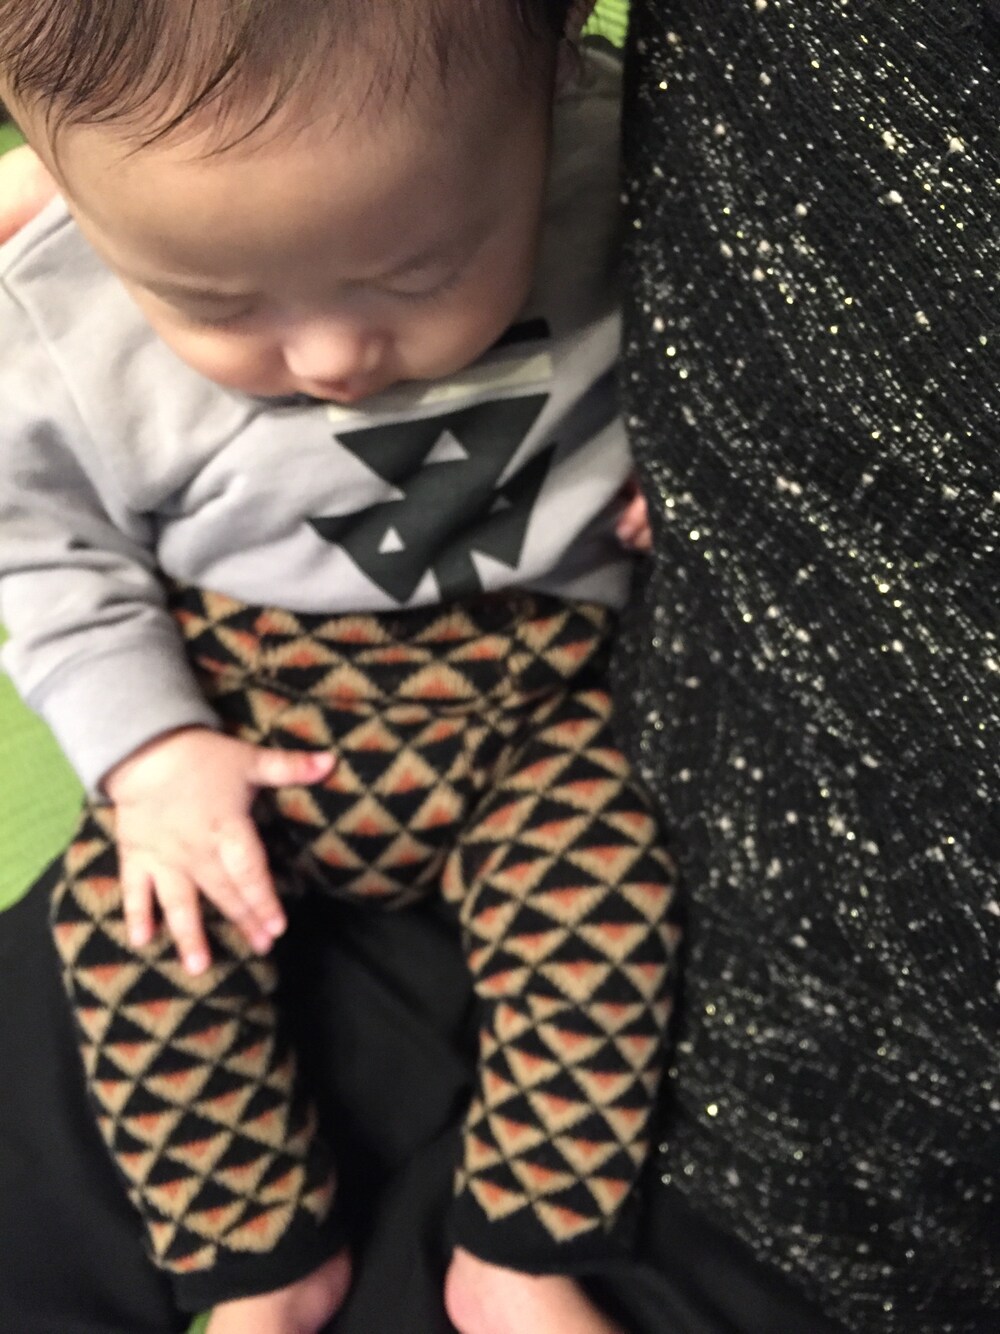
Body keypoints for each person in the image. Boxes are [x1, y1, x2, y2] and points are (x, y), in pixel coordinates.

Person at [0, 3, 679, 1333]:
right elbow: (43, 559)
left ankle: (522, 1252)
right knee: (135, 931)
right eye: (213, 302)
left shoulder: (625, 161)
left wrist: (701, 455)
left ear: (554, 81)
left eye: (415, 274)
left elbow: (756, 319)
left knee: (609, 898)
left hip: (540, 704)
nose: (328, 362)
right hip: (243, 715)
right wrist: (152, 757)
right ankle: (261, 1262)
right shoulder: (57, 319)